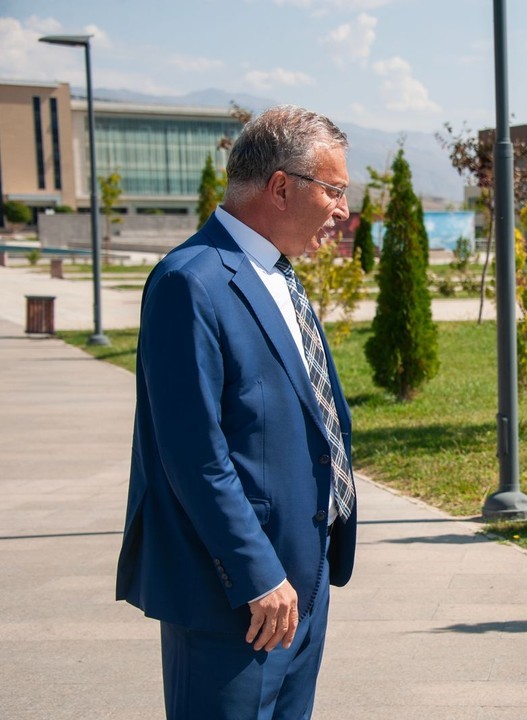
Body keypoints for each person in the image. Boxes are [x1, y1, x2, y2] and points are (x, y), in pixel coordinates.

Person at [116, 105, 358, 720]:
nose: (342, 210)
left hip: (302, 580)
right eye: (334, 190)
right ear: (281, 187)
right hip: (235, 594)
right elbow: (193, 453)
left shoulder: (278, 274)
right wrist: (256, 574)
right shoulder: (190, 281)